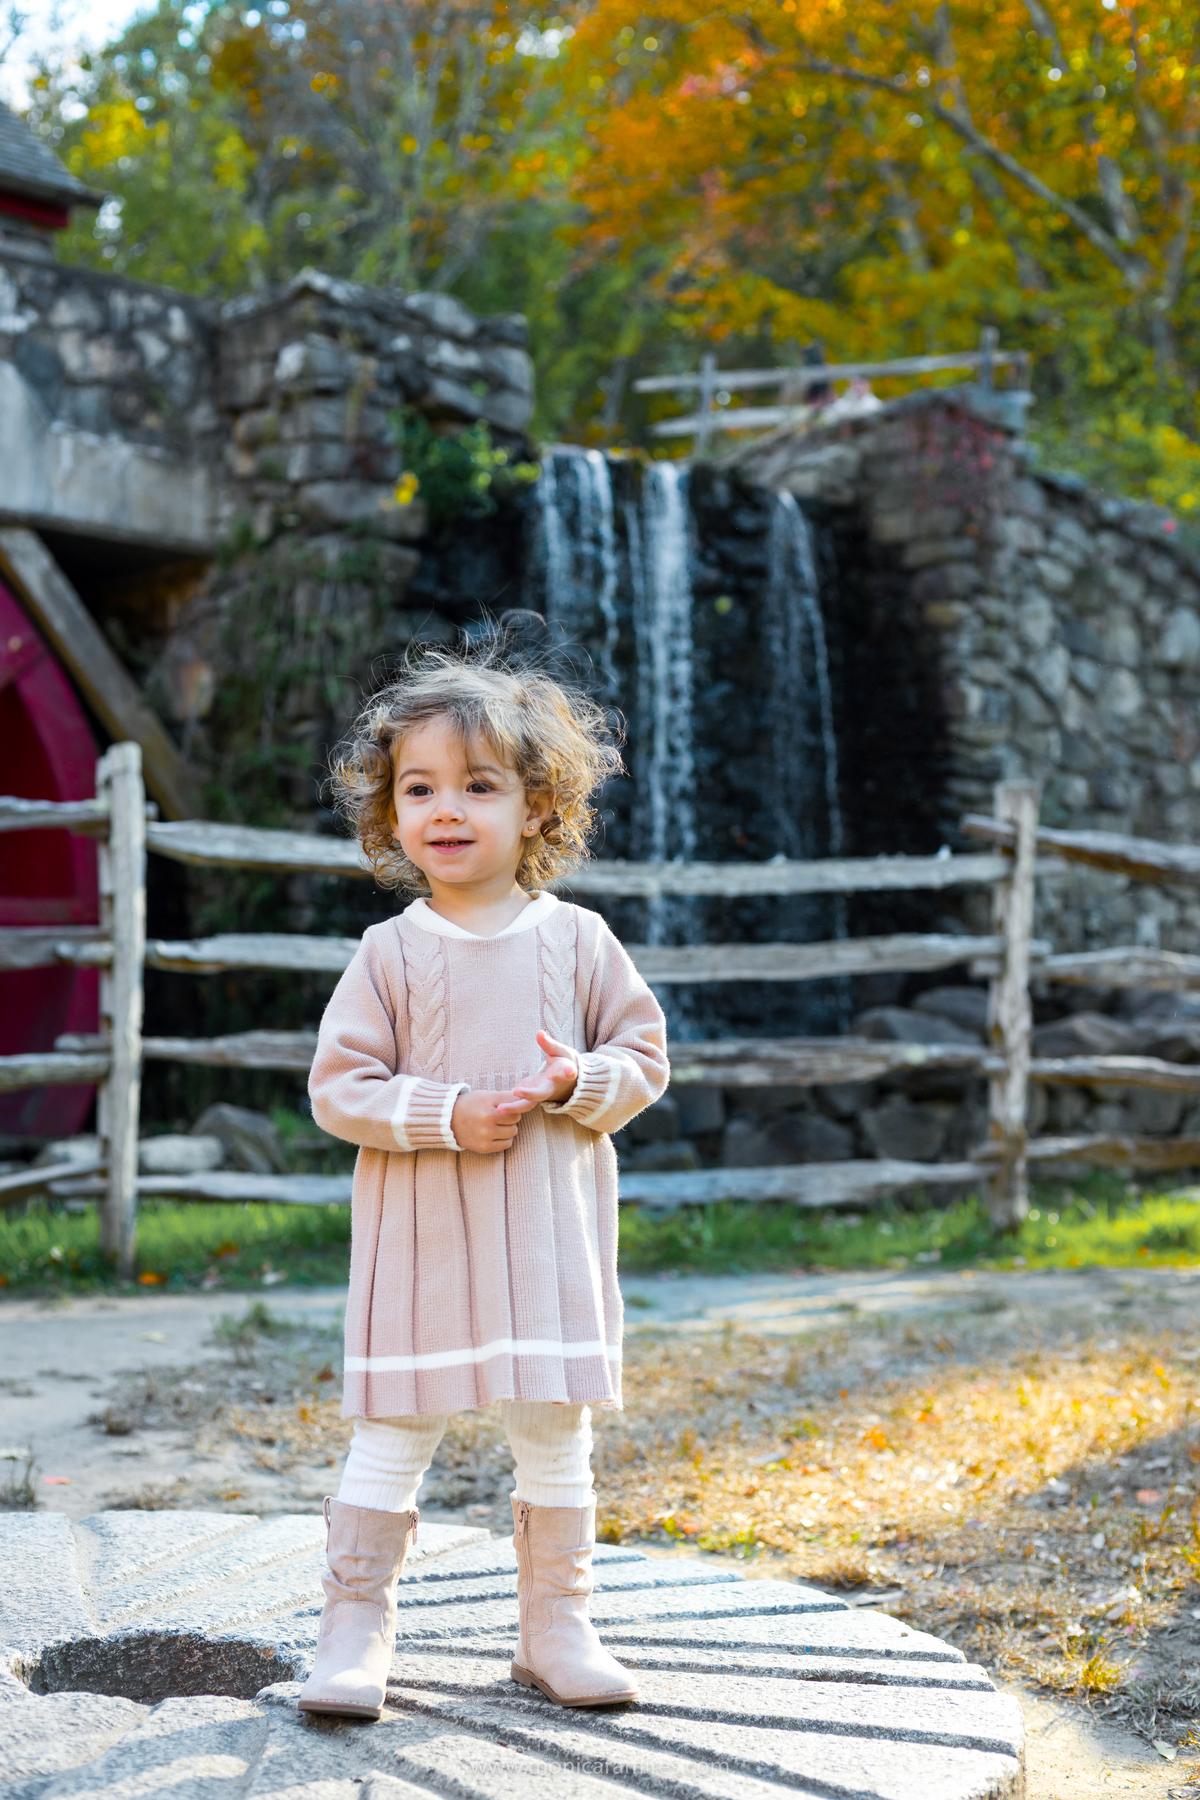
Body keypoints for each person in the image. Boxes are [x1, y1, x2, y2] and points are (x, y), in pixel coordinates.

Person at [298, 645, 669, 1722]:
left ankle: (557, 1627)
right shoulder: (388, 952)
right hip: (421, 1239)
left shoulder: (580, 941)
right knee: (395, 1426)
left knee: (554, 1425)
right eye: (418, 789)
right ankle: (354, 1627)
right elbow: (339, 1089)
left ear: (538, 804)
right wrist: (446, 1114)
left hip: (548, 1235)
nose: (445, 810)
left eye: (478, 785)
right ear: (390, 811)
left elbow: (644, 1059)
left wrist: (578, 1080)